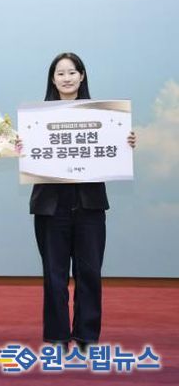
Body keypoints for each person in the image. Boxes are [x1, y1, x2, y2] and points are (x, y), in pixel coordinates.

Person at [30, 52, 136, 349]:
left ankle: (86, 336)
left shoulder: (103, 117)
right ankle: (57, 336)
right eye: (60, 73)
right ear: (53, 79)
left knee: (89, 272)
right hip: (51, 207)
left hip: (90, 206)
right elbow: (31, 155)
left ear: (82, 76)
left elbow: (114, 151)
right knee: (54, 275)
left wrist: (125, 142)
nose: (67, 78)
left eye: (72, 72)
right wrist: (22, 146)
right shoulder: (37, 119)